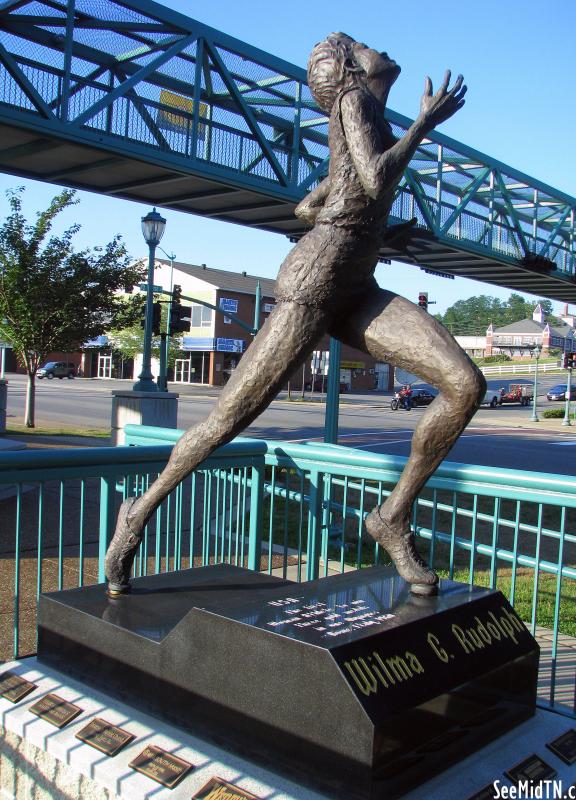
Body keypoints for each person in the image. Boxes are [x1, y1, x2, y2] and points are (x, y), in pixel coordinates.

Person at [105, 32, 485, 597]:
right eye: (361, 45)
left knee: (464, 384)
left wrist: (373, 228)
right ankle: (138, 513)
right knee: (224, 423)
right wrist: (423, 127)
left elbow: (309, 205)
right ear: (353, 71)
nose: (377, 47)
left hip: (354, 285)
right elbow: (376, 180)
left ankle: (392, 517)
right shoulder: (354, 105)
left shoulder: (364, 118)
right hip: (314, 286)